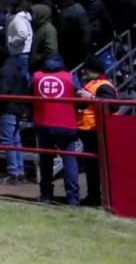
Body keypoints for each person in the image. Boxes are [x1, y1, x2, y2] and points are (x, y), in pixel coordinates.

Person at [31, 54, 81, 206]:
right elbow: (79, 97)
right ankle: (73, 198)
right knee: (69, 161)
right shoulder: (69, 77)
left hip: (43, 123)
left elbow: (29, 95)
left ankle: (46, 194)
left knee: (45, 161)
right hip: (67, 123)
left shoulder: (36, 77)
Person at [76, 55, 117, 207]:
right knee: (91, 167)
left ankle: (102, 198)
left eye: (87, 70)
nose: (84, 73)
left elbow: (113, 106)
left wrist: (91, 96)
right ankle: (93, 197)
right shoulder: (91, 83)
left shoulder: (104, 85)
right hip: (89, 130)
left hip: (98, 131)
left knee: (98, 167)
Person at [0, 45, 29, 185]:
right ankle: (20, 172)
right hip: (18, 107)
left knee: (8, 141)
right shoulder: (18, 69)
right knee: (16, 141)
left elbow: (3, 91)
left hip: (7, 108)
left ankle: (12, 172)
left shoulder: (4, 71)